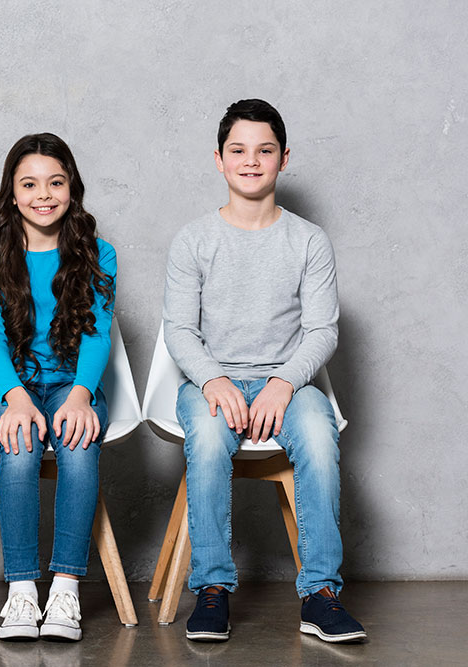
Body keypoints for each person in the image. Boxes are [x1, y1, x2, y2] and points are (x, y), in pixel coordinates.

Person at [164, 99, 366, 644]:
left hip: (289, 383)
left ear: (282, 158)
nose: (251, 161)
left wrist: (282, 382)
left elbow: (323, 329)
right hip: (213, 381)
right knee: (207, 440)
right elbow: (179, 330)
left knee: (319, 441)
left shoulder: (308, 241)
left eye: (264, 150)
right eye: (238, 151)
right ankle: (211, 590)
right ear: (219, 159)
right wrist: (214, 380)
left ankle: (321, 594)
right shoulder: (194, 240)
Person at [0, 133, 116, 642]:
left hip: (73, 384)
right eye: (29, 184)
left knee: (77, 447)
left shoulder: (99, 252)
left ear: (72, 187)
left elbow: (97, 333)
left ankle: (67, 590)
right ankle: (23, 592)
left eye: (55, 182)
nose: (43, 194)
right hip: (11, 386)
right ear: (12, 192)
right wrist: (15, 397)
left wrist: (80, 394)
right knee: (22, 444)